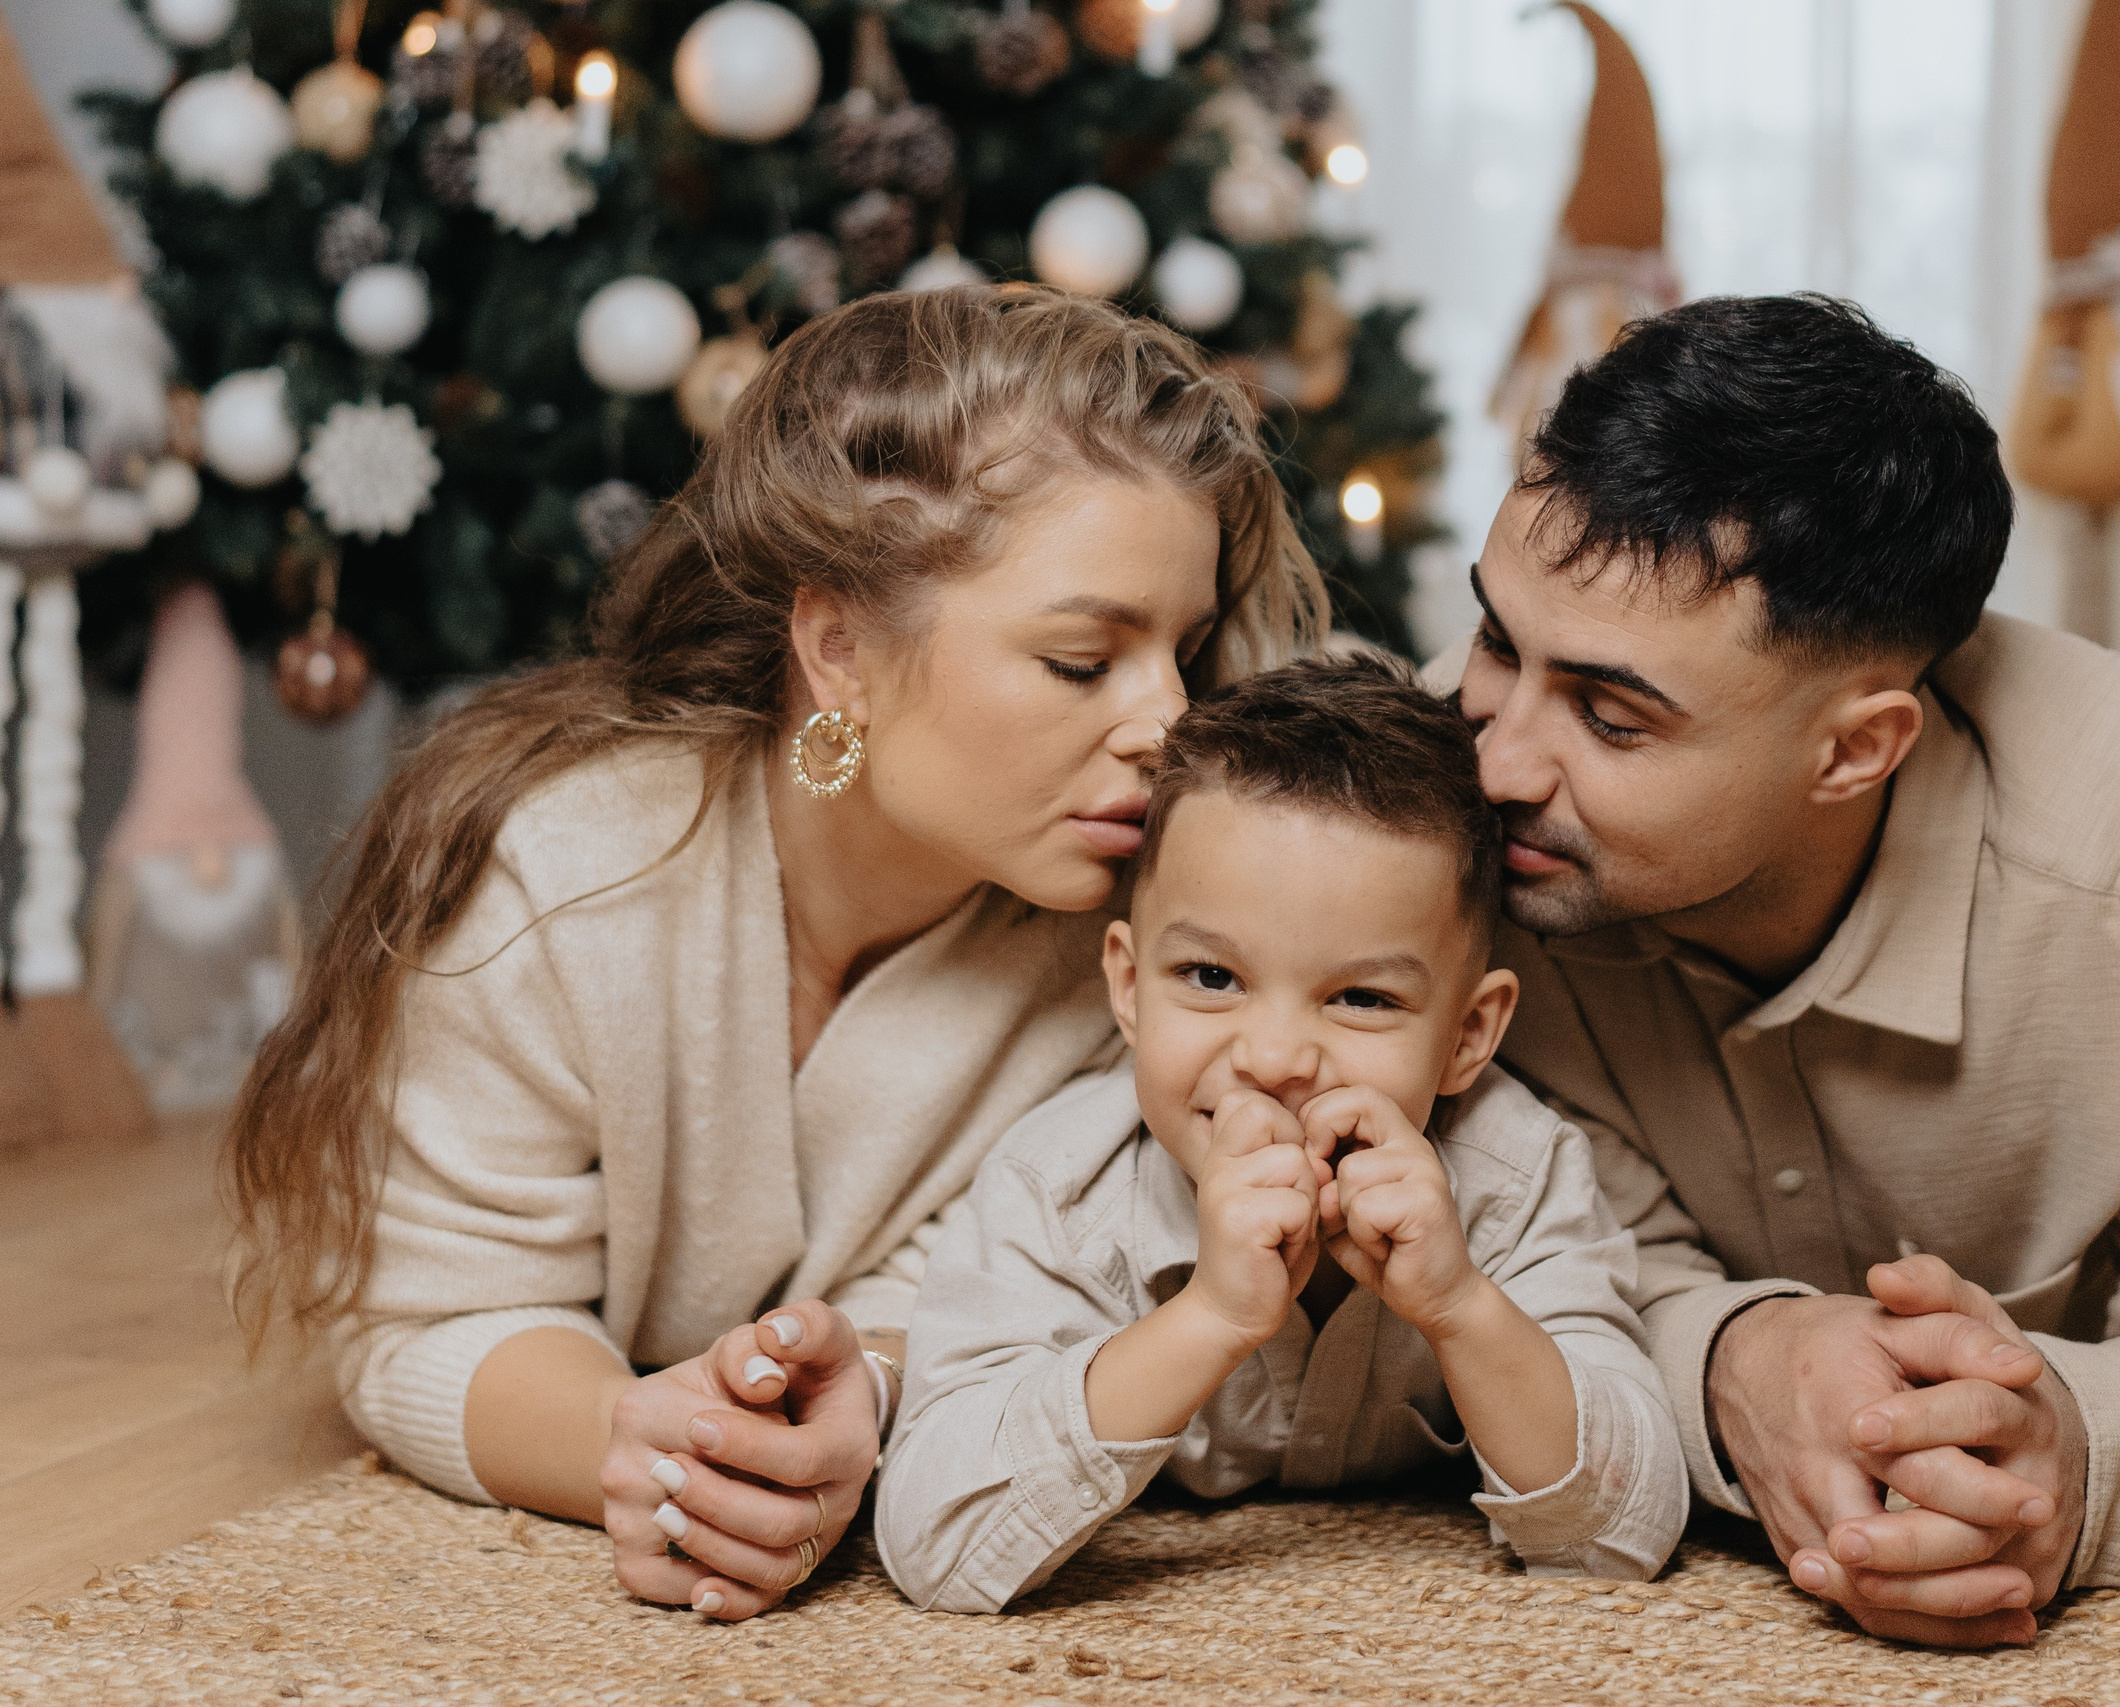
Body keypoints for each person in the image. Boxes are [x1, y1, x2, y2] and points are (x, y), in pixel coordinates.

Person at [224, 287, 1327, 1623]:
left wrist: (864, 1390)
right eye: (1082, 656)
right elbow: (432, 1309)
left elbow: (1012, 1304)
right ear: (841, 647)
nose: (1169, 721)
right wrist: (641, 1443)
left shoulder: (1151, 947)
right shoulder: (566, 871)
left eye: (1188, 650)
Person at [1439, 294, 2120, 1649]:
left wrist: (2076, 1441)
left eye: (1610, 714)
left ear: (1854, 748)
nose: (1497, 760)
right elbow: (1453, 1267)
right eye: (1493, 639)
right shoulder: (1420, 818)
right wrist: (1734, 1359)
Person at [872, 658, 1688, 1611]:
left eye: (1360, 997)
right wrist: (1210, 1318)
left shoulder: (1518, 1176)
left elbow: (1628, 1531)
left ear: (1468, 1034)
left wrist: (1462, 1305)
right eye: (1212, 977)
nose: (1272, 1057)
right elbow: (935, 1539)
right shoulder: (1057, 1188)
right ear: (1130, 987)